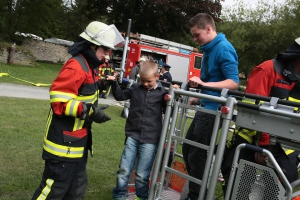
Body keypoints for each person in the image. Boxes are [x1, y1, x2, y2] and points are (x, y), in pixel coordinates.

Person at [31, 21, 124, 199]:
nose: (108, 53)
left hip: (77, 145)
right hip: (63, 146)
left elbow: (84, 90)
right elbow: (59, 102)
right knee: (52, 191)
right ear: (92, 45)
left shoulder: (90, 67)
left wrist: (103, 84)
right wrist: (91, 111)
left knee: (75, 192)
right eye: (105, 49)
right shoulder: (76, 66)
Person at [221, 37, 300, 195]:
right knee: (237, 180)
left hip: (285, 143)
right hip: (252, 137)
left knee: (286, 182)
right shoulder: (267, 70)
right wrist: (262, 147)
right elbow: (251, 111)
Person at [181, 13, 239, 200]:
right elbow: (215, 81)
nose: (195, 39)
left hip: (213, 112)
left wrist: (203, 86)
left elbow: (233, 83)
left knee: (197, 156)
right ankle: (201, 194)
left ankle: (198, 196)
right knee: (188, 150)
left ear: (208, 28)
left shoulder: (223, 48)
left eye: (197, 34)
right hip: (206, 107)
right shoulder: (209, 49)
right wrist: (199, 97)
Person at [107, 60, 168, 200]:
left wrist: (174, 92)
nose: (145, 84)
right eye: (142, 80)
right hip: (133, 135)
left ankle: (142, 197)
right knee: (124, 169)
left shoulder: (162, 93)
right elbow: (120, 96)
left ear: (157, 77)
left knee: (142, 174)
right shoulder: (135, 87)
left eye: (149, 81)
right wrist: (114, 82)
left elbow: (171, 106)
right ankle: (119, 195)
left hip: (150, 139)